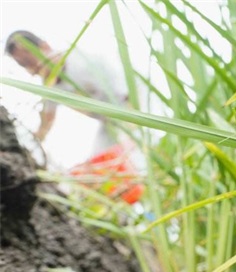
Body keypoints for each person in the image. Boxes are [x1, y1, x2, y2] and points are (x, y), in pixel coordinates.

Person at [5, 30, 142, 204]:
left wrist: (130, 137)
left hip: (137, 111)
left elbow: (129, 94)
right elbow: (46, 123)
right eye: (24, 64)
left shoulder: (82, 60)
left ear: (45, 47)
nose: (34, 68)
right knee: (97, 166)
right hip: (110, 123)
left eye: (30, 58)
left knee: (135, 162)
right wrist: (30, 145)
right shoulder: (51, 88)